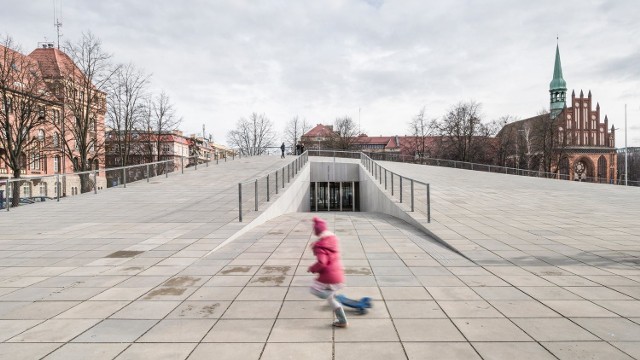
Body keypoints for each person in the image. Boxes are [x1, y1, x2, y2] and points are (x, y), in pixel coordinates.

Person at [308, 216, 348, 327]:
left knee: (314, 289)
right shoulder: (333, 240)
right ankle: (342, 321)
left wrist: (312, 268)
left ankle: (330, 294)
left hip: (329, 276)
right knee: (331, 300)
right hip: (338, 274)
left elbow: (322, 262)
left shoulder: (320, 246)